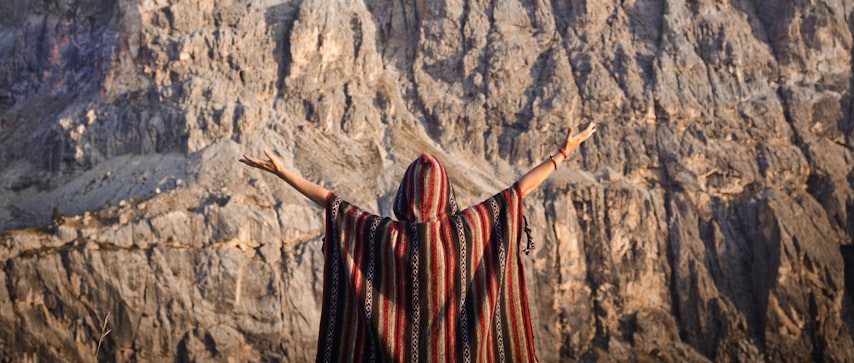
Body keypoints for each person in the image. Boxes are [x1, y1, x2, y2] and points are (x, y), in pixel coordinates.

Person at [240, 123, 597, 362]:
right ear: (446, 193)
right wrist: (561, 155)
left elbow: (332, 203)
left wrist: (285, 173)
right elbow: (517, 192)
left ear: (403, 195)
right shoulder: (467, 231)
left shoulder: (384, 236)